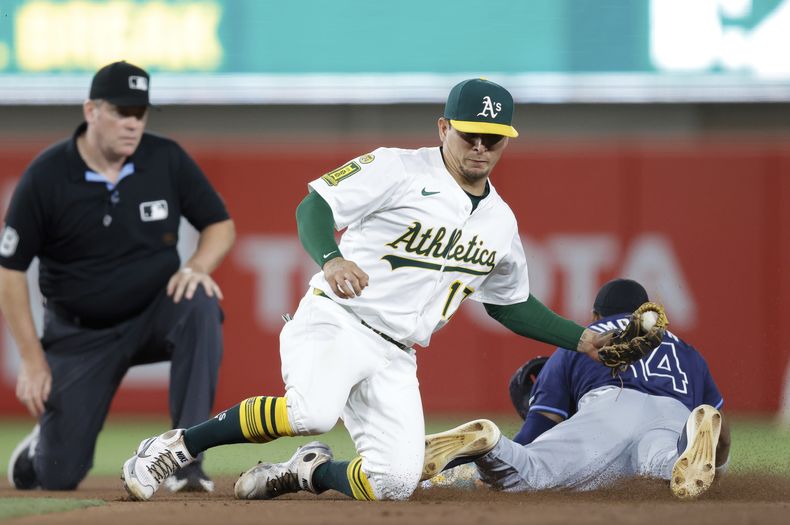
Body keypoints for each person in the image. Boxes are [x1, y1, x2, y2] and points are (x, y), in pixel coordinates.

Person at [121, 78, 614, 502]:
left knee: (394, 483)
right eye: (470, 134)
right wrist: (331, 258)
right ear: (444, 128)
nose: (480, 147)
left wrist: (582, 340)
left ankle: (304, 471)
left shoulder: (500, 222)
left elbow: (510, 304)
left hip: (397, 353)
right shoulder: (397, 168)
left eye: (494, 138)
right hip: (339, 319)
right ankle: (178, 446)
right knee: (312, 411)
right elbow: (313, 207)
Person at [1, 61, 235, 492]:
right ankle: (42, 448)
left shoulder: (165, 159)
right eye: (121, 112)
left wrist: (196, 266)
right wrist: (32, 359)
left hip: (152, 314)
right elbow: (11, 271)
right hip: (80, 336)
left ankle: (184, 460)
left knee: (200, 302)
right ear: (91, 110)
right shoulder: (47, 175)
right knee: (59, 475)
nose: (133, 124)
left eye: (140, 114)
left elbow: (219, 225)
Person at [421, 278, 731, 500]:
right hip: (675, 415)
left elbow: (538, 428)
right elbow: (722, 428)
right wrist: (718, 460)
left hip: (613, 407)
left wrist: (499, 469)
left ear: (596, 316)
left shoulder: (585, 338)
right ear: (642, 313)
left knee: (532, 474)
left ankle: (489, 445)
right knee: (657, 466)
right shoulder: (688, 352)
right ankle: (677, 456)